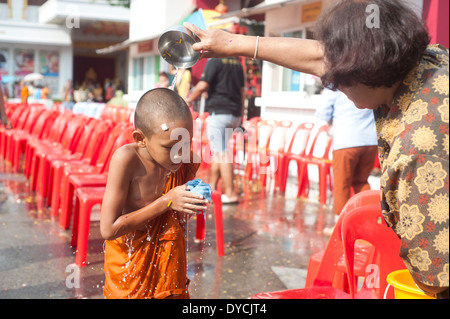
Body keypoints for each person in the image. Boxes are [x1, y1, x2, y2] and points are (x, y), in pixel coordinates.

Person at [184, 0, 449, 298]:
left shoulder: (419, 145)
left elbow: (436, 277)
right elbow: (322, 56)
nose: (332, 82)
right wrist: (231, 43)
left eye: (337, 77)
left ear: (362, 70)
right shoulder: (423, 61)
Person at [100, 88, 208, 299]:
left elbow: (177, 218)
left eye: (186, 143)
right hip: (130, 263)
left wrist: (189, 202)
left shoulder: (187, 161)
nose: (180, 154)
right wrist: (168, 201)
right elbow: (107, 229)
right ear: (141, 138)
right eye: (170, 147)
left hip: (166, 259)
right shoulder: (127, 160)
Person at [315, 89, 378, 234]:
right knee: (361, 182)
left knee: (341, 184)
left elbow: (322, 112)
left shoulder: (335, 80)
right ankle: (367, 224)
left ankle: (340, 227)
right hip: (370, 140)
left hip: (346, 139)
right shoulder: (371, 74)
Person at [187, 57, 245, 204]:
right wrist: (241, 116)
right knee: (219, 152)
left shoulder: (214, 61)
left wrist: (187, 101)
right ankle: (211, 188)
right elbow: (242, 92)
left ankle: (231, 193)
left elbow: (201, 86)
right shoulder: (237, 64)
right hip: (235, 114)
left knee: (221, 153)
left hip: (219, 113)